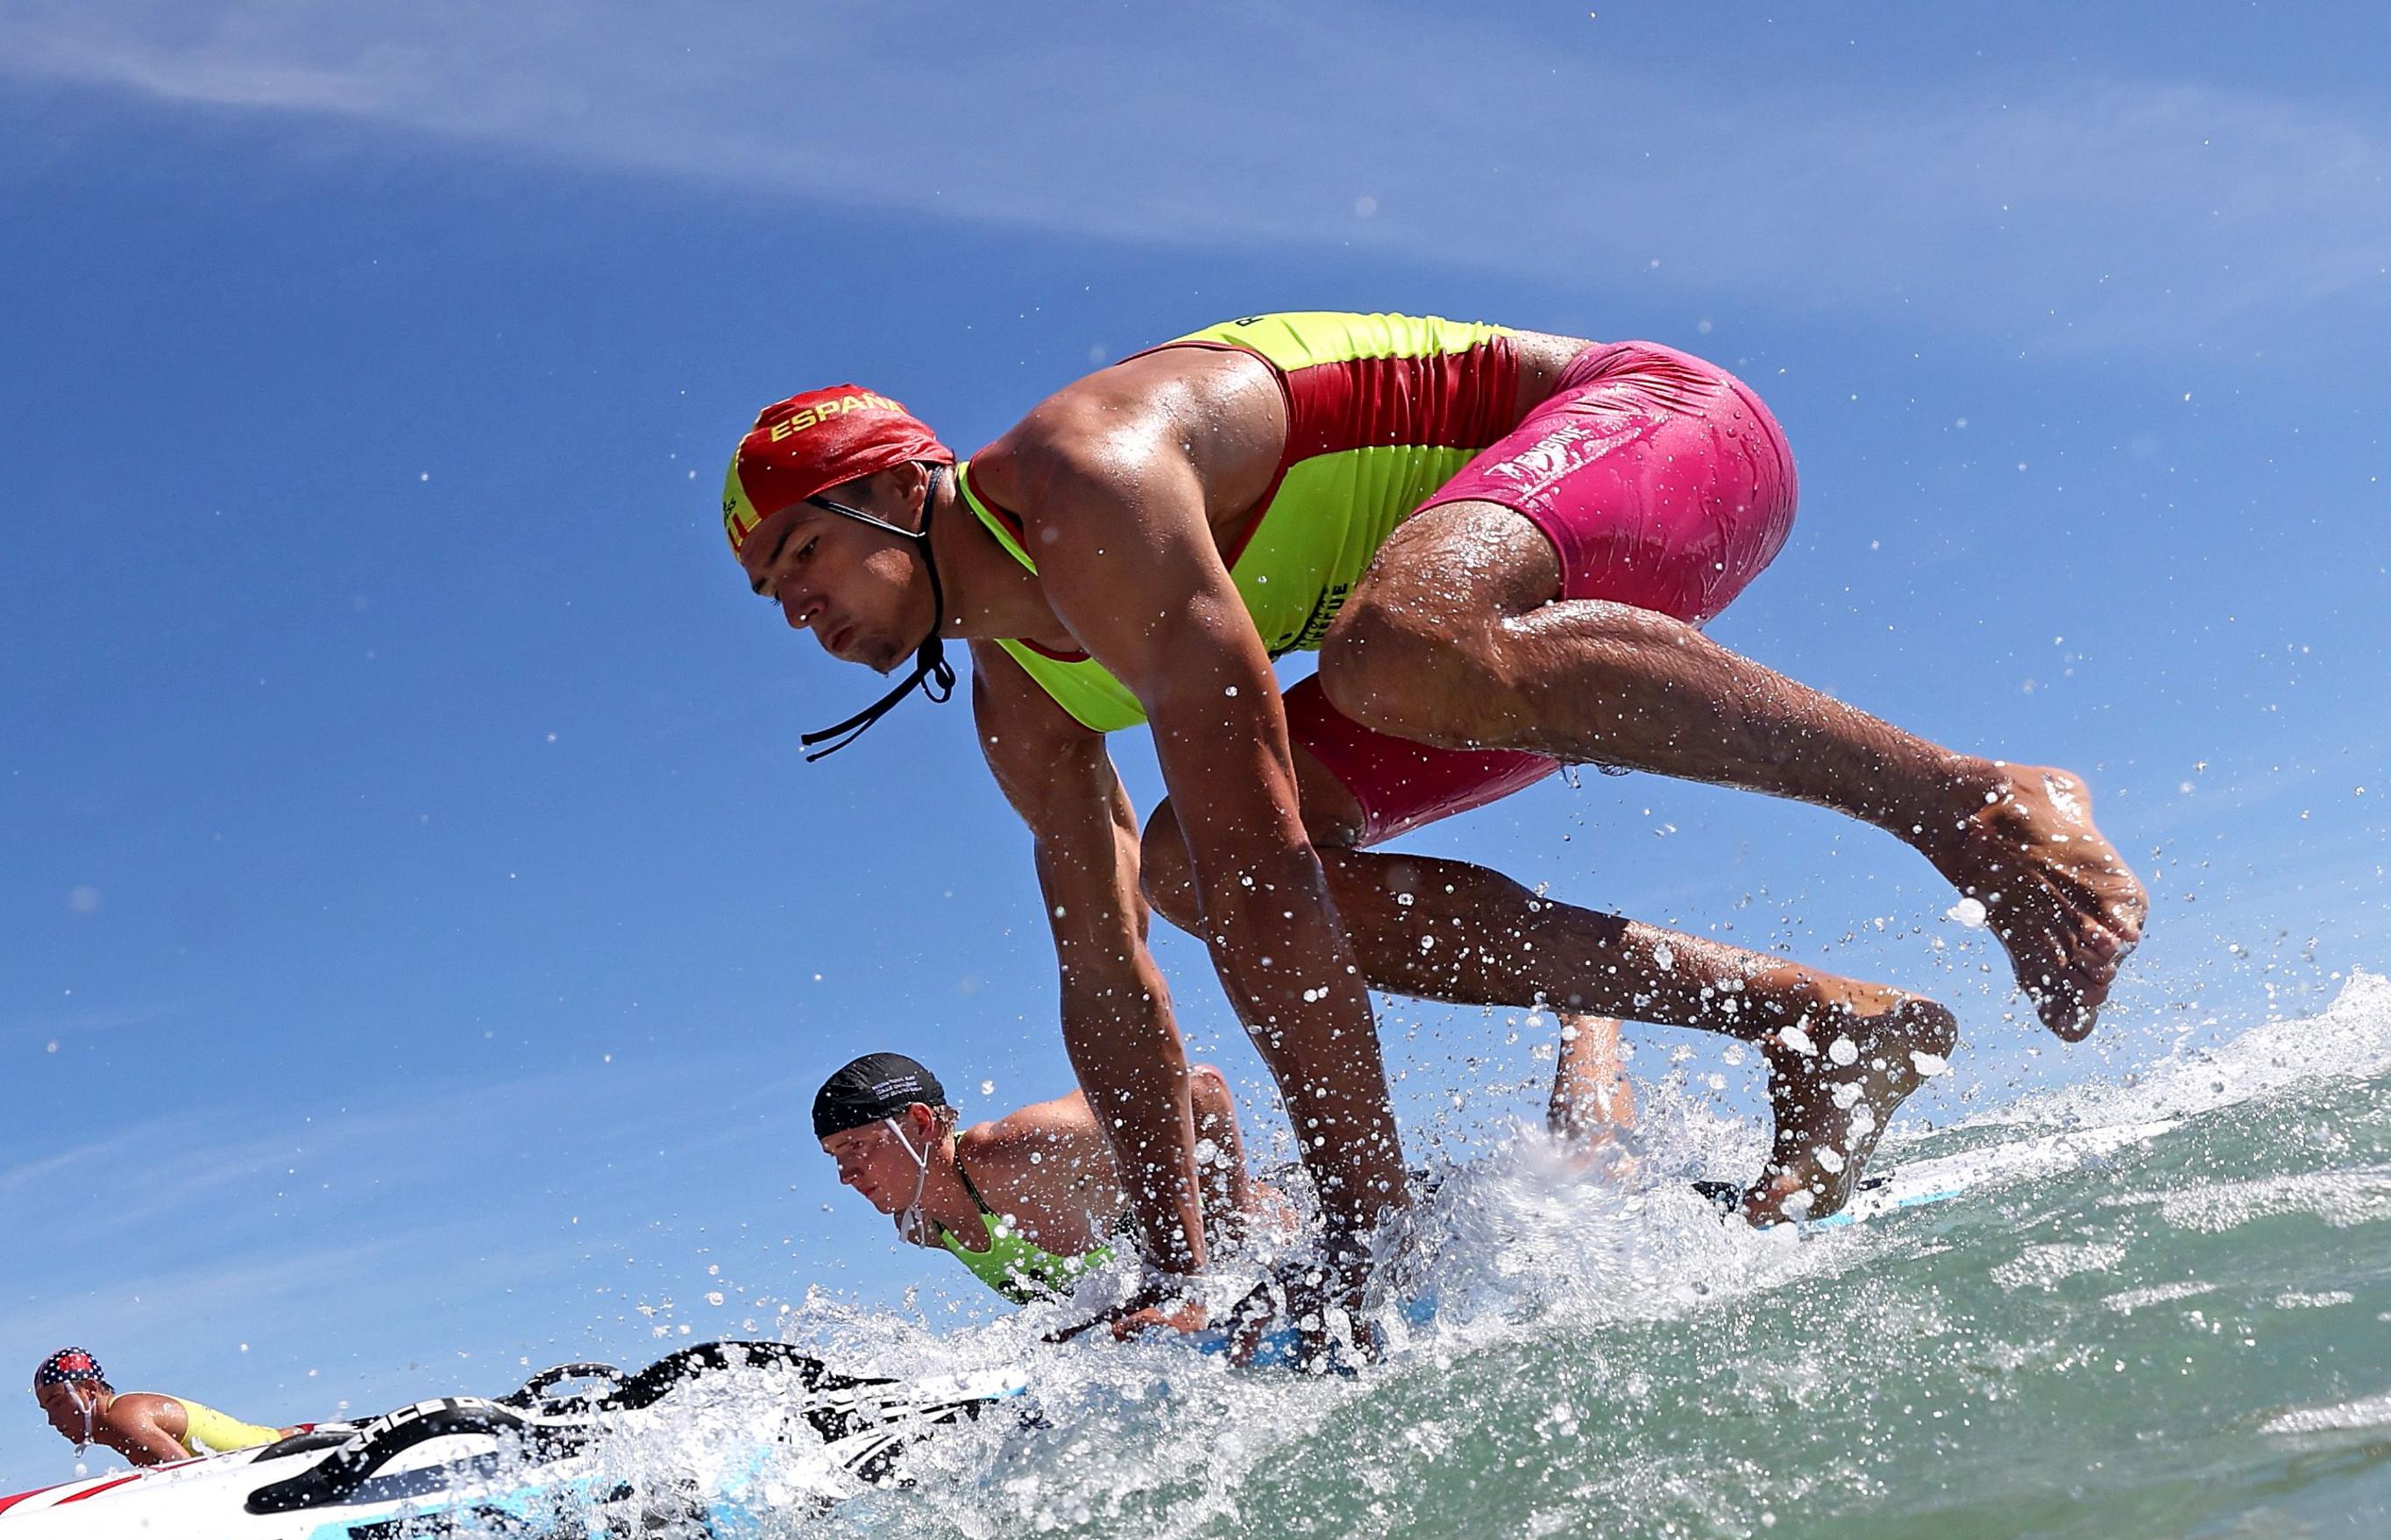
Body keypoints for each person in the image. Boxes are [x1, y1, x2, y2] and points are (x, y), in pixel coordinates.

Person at [726, 320, 2139, 1280]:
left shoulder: (1079, 480)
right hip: (1510, 638)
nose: (795, 607)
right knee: (1179, 874)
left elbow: (1272, 851)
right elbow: (1107, 974)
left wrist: (1364, 1238)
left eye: (802, 552)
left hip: (1663, 432)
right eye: (766, 591)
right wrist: (1175, 1274)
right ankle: (1819, 1025)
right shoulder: (1017, 702)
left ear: (898, 485)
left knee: (1386, 661)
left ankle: (1975, 800)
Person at [812, 1051, 1289, 1302]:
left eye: (857, 1146)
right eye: (835, 1155)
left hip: (1285, 1244)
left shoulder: (1015, 1152)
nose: (845, 1174)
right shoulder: (922, 1228)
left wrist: (1230, 1242)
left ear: (920, 1123)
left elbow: (1199, 1088)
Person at [31, 1348, 283, 1468]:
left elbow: (191, 1477)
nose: (52, 1420)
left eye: (57, 1403)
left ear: (90, 1389)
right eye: (46, 1409)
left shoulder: (122, 1418)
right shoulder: (116, 1421)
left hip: (291, 1451)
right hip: (277, 1451)